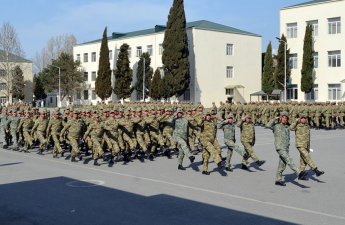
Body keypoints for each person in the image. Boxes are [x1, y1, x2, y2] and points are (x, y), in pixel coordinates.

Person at [266, 111, 308, 186]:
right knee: (289, 160)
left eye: (286, 118)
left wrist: (296, 121)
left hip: (286, 148)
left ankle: (278, 180)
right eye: (283, 117)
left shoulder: (286, 127)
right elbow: (267, 125)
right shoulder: (276, 126)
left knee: (282, 164)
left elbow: (292, 127)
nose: (285, 119)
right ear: (280, 118)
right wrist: (275, 118)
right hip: (280, 147)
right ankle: (299, 173)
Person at [290, 113, 324, 177]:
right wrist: (296, 121)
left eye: (304, 118)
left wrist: (308, 146)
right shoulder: (297, 125)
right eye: (302, 118)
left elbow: (308, 137)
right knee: (307, 157)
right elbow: (291, 128)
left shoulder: (307, 126)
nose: (303, 119)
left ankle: (300, 173)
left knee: (303, 160)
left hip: (306, 145)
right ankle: (316, 170)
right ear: (299, 119)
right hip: (300, 144)